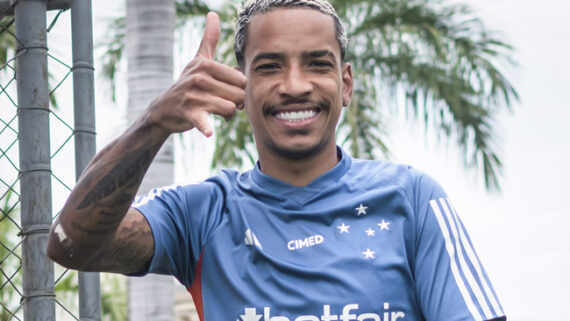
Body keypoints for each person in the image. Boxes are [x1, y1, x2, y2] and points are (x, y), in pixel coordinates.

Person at [48, 0, 507, 320]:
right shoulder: (202, 214)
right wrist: (154, 122)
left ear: (345, 83)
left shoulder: (410, 198)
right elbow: (71, 244)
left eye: (317, 64)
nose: (294, 85)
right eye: (268, 66)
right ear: (238, 85)